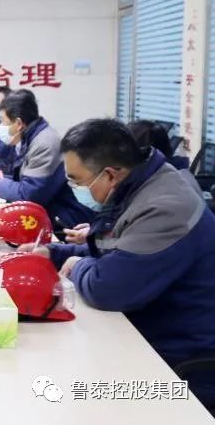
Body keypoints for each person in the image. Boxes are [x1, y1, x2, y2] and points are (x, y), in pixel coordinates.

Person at [26, 118, 215, 408]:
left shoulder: (165, 207)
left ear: (110, 175)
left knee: (62, 392)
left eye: (76, 180)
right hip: (148, 331)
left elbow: (108, 288)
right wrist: (55, 254)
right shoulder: (139, 186)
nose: (73, 187)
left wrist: (75, 265)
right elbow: (118, 251)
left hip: (180, 358)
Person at [63, 119, 203, 245]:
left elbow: (125, 255)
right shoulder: (142, 185)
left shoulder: (163, 201)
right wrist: (97, 234)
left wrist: (77, 261)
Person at [0, 89, 93, 230]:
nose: (0, 126)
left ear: (19, 123)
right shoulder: (31, 137)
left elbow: (30, 195)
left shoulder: (44, 143)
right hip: (48, 211)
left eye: (3, 121)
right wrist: (0, 179)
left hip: (63, 221)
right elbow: (27, 178)